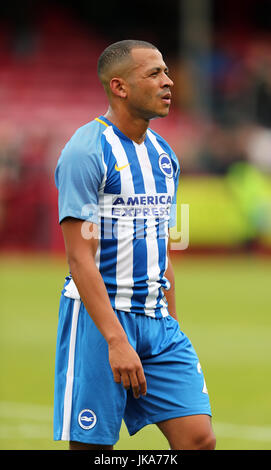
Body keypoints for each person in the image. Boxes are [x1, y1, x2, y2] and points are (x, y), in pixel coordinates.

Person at [53, 39, 216, 451]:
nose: (169, 81)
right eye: (155, 74)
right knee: (91, 450)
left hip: (157, 324)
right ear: (120, 87)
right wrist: (115, 340)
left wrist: (172, 321)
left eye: (166, 71)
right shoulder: (87, 151)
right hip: (100, 321)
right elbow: (79, 257)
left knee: (198, 440)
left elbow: (163, 249)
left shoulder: (165, 156)